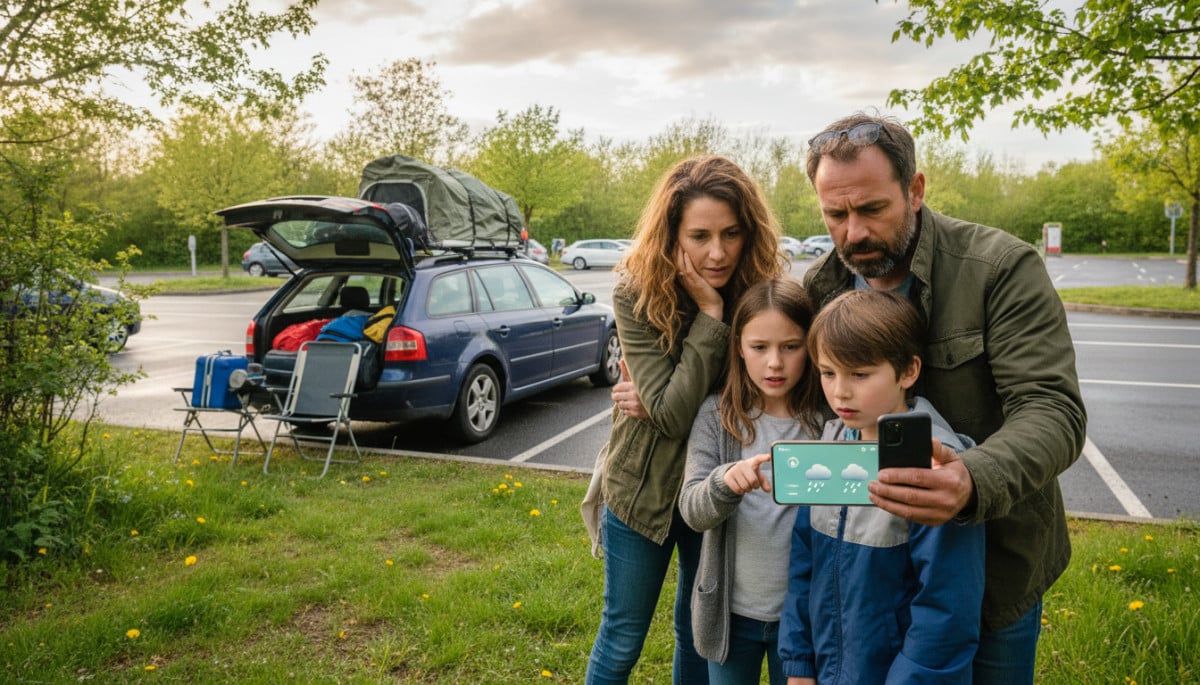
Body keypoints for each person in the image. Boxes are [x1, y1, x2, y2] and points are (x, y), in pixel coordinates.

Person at [801, 112, 1087, 683]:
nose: (852, 233)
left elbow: (1053, 409)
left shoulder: (999, 268)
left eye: (872, 210)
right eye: (835, 214)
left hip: (993, 568)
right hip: (870, 576)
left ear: (915, 190)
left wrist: (972, 477)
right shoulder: (819, 288)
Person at [584, 154, 785, 685]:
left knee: (699, 634)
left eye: (731, 233)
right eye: (699, 236)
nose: (717, 252)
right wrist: (712, 316)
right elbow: (674, 417)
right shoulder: (636, 291)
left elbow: (762, 384)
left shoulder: (760, 292)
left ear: (750, 232)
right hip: (641, 491)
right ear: (671, 233)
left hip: (717, 486)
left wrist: (662, 396)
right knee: (622, 637)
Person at [778, 288, 985, 684]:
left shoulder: (935, 468)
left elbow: (946, 609)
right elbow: (804, 563)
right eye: (828, 372)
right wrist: (800, 664)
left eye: (859, 374)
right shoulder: (830, 444)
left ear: (908, 371)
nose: (840, 391)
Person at [678, 277, 824, 685]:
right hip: (730, 616)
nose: (774, 363)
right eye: (759, 348)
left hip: (804, 622)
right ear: (739, 347)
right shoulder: (716, 416)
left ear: (810, 347)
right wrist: (725, 482)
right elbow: (692, 510)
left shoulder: (828, 422)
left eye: (790, 347)